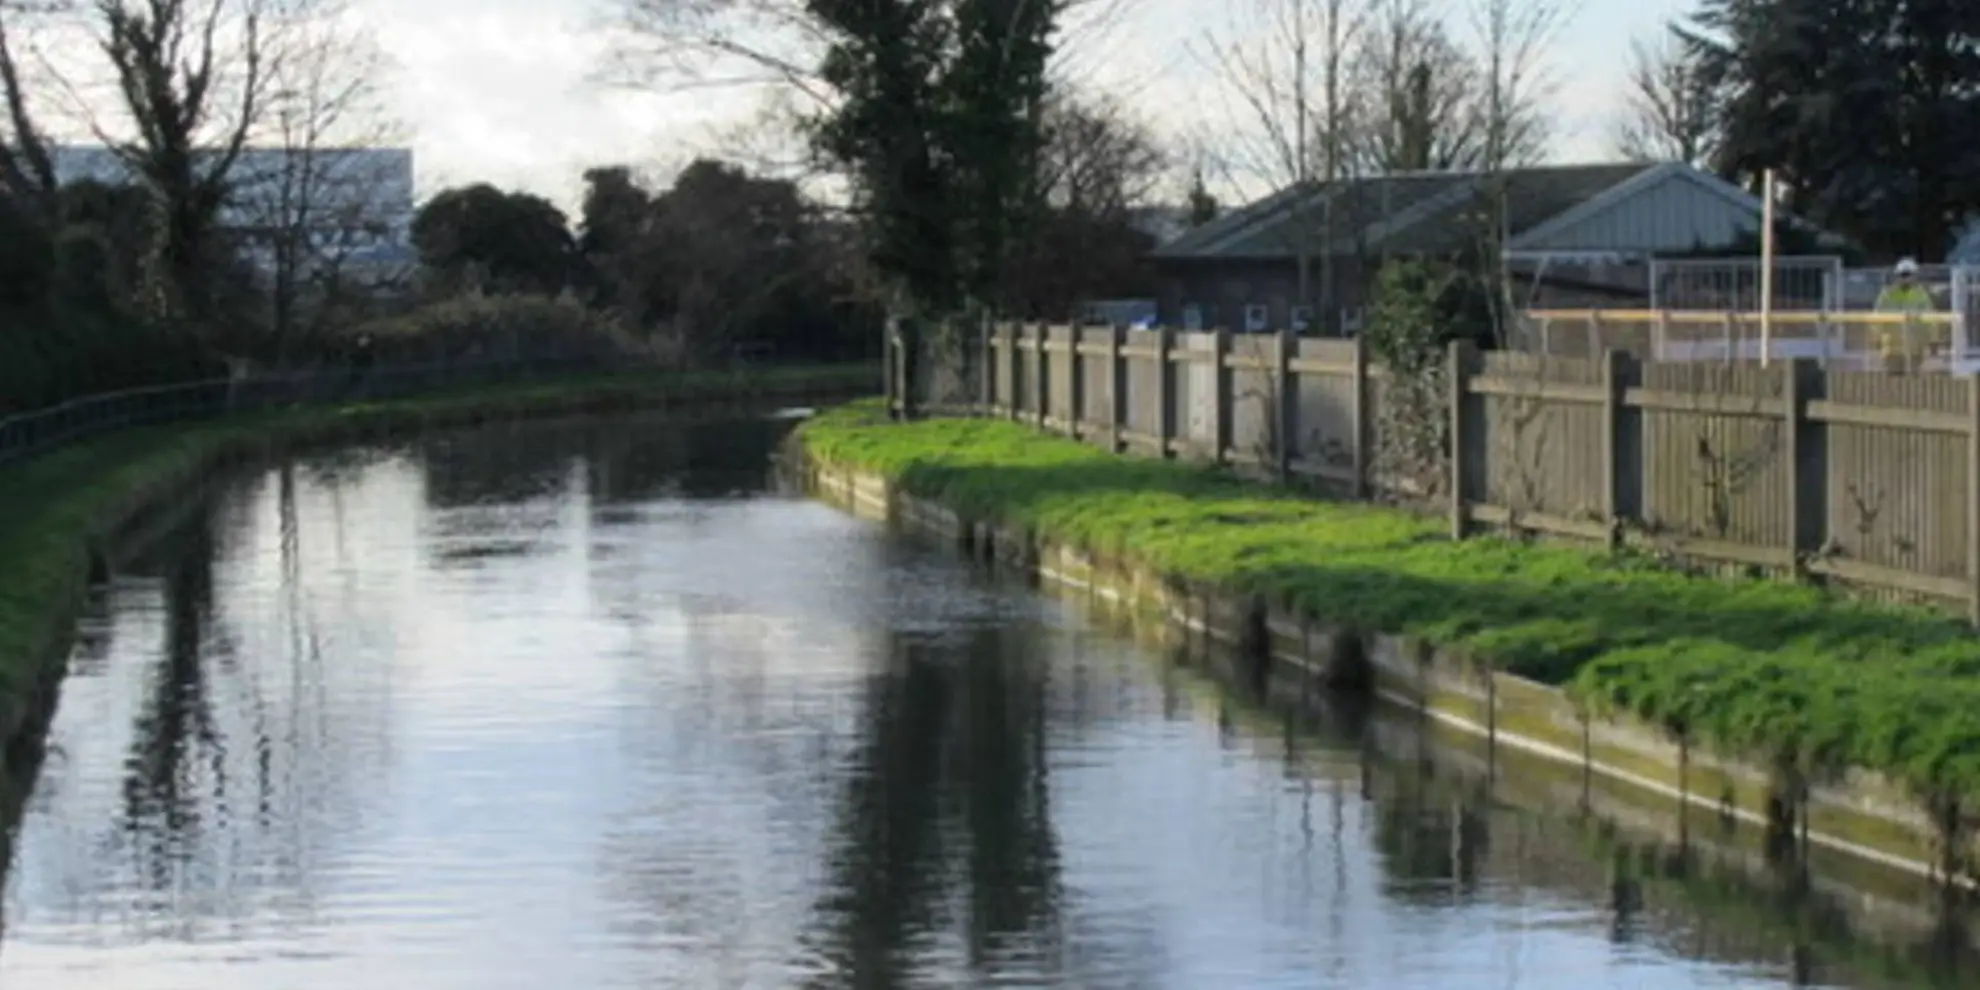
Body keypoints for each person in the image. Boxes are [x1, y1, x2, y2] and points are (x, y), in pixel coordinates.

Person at [1873, 258, 1936, 372]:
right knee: (1893, 381)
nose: (1906, 278)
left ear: (1915, 276)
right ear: (1897, 276)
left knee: (1913, 382)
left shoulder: (1921, 295)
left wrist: (1933, 340)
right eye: (1903, 275)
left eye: (1909, 275)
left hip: (1915, 348)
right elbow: (1877, 319)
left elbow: (1930, 320)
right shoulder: (1887, 294)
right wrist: (1876, 338)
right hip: (1892, 348)